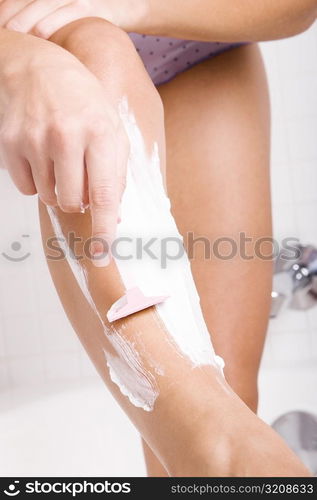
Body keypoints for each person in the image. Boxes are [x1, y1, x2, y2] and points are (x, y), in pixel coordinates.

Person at [0, 0, 315, 477]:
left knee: (228, 401)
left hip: (194, 38)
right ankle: (221, 452)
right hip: (50, 48)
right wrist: (16, 57)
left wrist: (129, 5)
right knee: (205, 432)